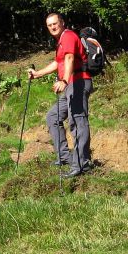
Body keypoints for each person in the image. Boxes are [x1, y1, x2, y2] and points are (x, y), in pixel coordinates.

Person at [27, 12, 92, 178]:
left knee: (77, 121)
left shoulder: (68, 36)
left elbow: (70, 58)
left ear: (62, 22)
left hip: (78, 82)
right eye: (49, 25)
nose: (52, 27)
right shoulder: (61, 41)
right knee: (53, 117)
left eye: (55, 23)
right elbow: (59, 62)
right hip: (70, 84)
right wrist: (38, 74)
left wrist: (63, 80)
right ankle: (65, 157)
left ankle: (81, 164)